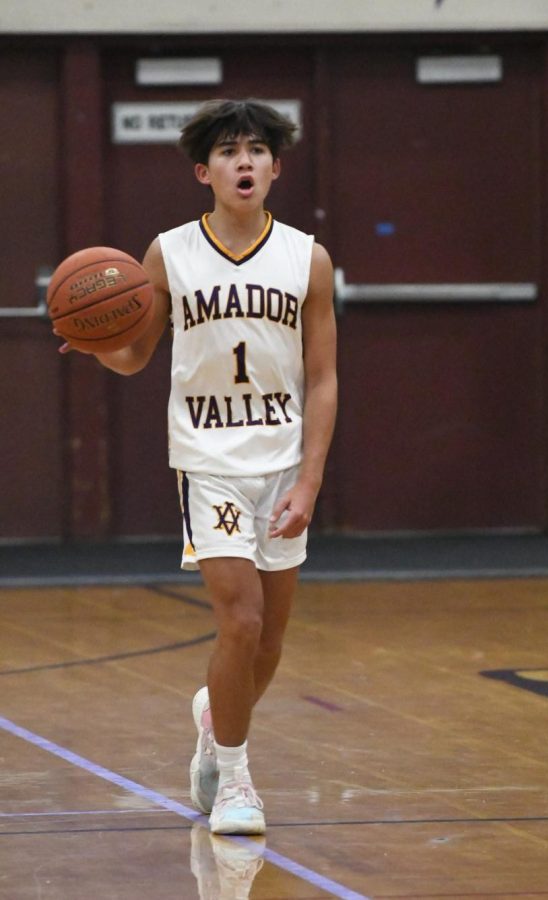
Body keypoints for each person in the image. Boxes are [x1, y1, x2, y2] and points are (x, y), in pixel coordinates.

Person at [55, 99, 337, 835]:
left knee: (268, 642)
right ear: (202, 170)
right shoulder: (167, 254)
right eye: (228, 151)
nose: (243, 162)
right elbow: (134, 356)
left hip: (281, 459)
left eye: (255, 151)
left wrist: (308, 479)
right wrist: (93, 341)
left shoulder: (307, 258)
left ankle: (216, 719)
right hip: (208, 460)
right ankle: (238, 781)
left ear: (275, 167)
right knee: (239, 622)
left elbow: (323, 380)